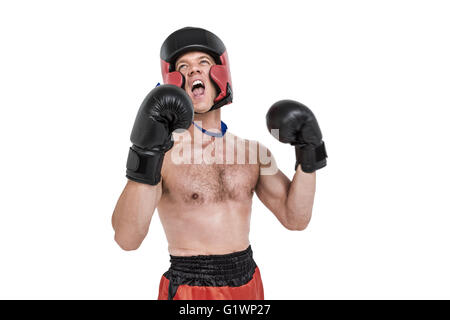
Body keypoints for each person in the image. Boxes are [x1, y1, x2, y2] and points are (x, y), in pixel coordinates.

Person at [112, 27, 327, 300]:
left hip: (249, 282)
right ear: (174, 81)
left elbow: (295, 219)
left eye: (203, 63)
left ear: (220, 75)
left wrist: (310, 152)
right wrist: (145, 154)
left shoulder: (253, 153)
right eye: (183, 66)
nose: (194, 71)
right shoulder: (164, 156)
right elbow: (126, 239)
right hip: (190, 288)